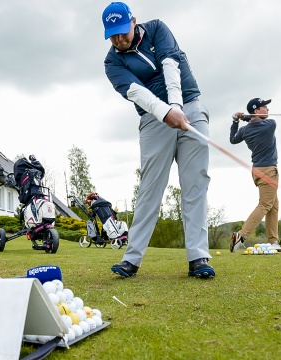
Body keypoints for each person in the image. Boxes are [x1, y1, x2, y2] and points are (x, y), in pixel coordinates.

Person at [102, 2, 214, 279]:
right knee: (150, 188)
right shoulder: (112, 62)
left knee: (195, 184)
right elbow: (137, 92)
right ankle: (132, 259)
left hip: (189, 105)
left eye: (122, 32)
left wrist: (175, 105)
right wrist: (166, 112)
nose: (119, 39)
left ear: (134, 22)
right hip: (154, 120)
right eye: (112, 34)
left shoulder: (157, 29)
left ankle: (198, 257)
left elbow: (171, 64)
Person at [229, 98, 281, 252]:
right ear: (257, 110)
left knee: (274, 205)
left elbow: (233, 140)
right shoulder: (270, 125)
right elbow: (262, 120)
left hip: (257, 170)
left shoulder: (245, 130)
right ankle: (241, 235)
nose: (267, 109)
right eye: (264, 107)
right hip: (269, 171)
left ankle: (273, 241)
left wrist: (236, 121)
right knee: (265, 204)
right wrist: (246, 117)